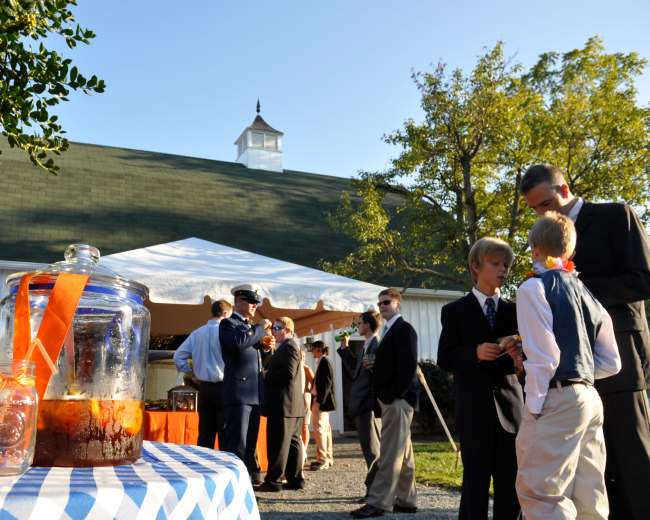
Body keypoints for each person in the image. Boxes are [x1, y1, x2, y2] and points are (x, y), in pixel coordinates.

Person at [521, 164, 650, 519]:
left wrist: (577, 291)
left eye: (546, 203)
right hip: (573, 372)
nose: (543, 213)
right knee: (588, 468)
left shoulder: (615, 216)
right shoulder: (546, 241)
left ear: (564, 189)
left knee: (631, 457)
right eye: (535, 208)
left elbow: (644, 279)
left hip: (619, 354)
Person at [515, 211, 621, 519]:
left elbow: (544, 358)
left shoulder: (533, 289)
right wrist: (582, 375)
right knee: (589, 492)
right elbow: (611, 362)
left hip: (557, 396)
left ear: (535, 249)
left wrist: (534, 407)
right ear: (570, 252)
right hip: (589, 396)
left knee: (542, 492)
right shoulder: (589, 296)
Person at [437, 238, 524, 520]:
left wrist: (518, 357)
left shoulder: (517, 311)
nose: (503, 270)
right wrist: (473, 353)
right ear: (476, 266)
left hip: (511, 411)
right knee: (474, 483)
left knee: (510, 484)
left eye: (506, 265)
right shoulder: (454, 311)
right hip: (474, 410)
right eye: (495, 263)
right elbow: (445, 358)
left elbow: (531, 362)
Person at [351, 288, 419, 518]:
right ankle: (407, 500)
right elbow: (392, 364)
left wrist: (392, 395)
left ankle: (379, 502)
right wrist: (376, 366)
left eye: (387, 302)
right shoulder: (390, 330)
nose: (382, 306)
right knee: (404, 452)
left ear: (398, 304)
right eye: (379, 303)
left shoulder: (404, 329)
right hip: (392, 400)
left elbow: (409, 368)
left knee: (390, 452)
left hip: (398, 400)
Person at [219, 283, 273, 484]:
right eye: (250, 301)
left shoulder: (250, 328)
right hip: (239, 394)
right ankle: (232, 485)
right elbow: (239, 343)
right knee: (237, 445)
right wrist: (259, 328)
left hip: (254, 394)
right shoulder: (228, 324)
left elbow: (258, 361)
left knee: (249, 446)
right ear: (238, 301)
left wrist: (266, 350)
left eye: (256, 302)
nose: (254, 305)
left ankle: (245, 486)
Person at [173, 299, 233, 449]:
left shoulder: (197, 333)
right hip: (224, 387)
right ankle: (225, 469)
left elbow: (178, 356)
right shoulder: (227, 333)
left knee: (205, 434)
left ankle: (203, 468)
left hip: (204, 388)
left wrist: (191, 373)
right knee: (225, 434)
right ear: (225, 314)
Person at [337, 310, 382, 501]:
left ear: (369, 324)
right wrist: (345, 349)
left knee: (373, 451)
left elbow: (377, 377)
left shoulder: (377, 345)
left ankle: (375, 492)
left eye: (360, 322)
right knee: (368, 450)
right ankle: (375, 490)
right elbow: (355, 371)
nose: (358, 326)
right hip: (361, 405)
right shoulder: (367, 345)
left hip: (369, 405)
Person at [258, 317, 305, 492]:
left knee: (278, 443)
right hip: (291, 405)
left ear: (287, 329)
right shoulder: (286, 346)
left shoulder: (290, 345)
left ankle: (274, 481)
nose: (274, 331)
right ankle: (295, 479)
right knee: (292, 444)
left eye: (277, 327)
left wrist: (266, 374)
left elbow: (288, 373)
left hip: (284, 404)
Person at [310, 340, 336, 470]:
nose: (312, 352)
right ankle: (328, 457)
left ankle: (323, 459)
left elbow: (326, 383)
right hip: (322, 401)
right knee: (325, 429)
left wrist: (319, 400)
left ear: (319, 349)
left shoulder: (324, 362)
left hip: (320, 401)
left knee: (319, 429)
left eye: (313, 349)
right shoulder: (324, 361)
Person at [300, 349, 315, 468]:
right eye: (301, 355)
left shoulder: (306, 369)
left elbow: (314, 383)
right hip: (296, 398)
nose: (302, 357)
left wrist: (310, 394)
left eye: (304, 356)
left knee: (305, 426)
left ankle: (304, 451)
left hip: (305, 397)